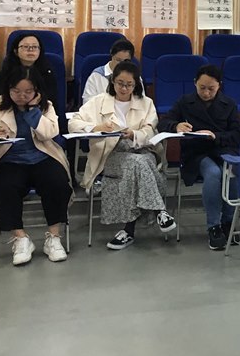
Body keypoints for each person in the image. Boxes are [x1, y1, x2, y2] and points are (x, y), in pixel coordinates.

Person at [0, 66, 72, 265]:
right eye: (16, 91)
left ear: (36, 91)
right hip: (8, 160)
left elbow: (50, 132)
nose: (21, 96)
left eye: (28, 92)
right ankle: (20, 238)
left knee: (57, 183)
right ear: (8, 89)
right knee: (3, 187)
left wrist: (32, 112)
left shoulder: (45, 106)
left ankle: (54, 236)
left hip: (42, 157)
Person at [70, 61, 175, 250]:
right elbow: (73, 123)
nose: (124, 88)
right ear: (112, 81)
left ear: (136, 85)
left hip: (142, 150)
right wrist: (96, 127)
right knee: (138, 164)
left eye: (129, 85)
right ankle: (160, 211)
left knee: (136, 164)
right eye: (120, 83)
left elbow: (151, 131)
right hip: (111, 155)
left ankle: (128, 232)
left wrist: (134, 134)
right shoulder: (99, 101)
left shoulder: (146, 103)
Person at [157, 64, 240, 251]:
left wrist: (216, 136)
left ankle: (228, 222)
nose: (206, 93)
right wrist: (176, 126)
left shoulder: (229, 104)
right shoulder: (185, 102)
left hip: (223, 150)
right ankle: (214, 226)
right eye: (202, 88)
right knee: (213, 173)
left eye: (211, 89)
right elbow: (163, 123)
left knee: (231, 171)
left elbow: (237, 134)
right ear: (195, 83)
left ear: (219, 85)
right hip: (196, 153)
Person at [0, 33, 60, 112]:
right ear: (16, 51)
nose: (30, 49)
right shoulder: (7, 71)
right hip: (8, 112)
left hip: (39, 112)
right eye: (25, 46)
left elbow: (51, 101)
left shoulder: (47, 73)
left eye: (35, 47)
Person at [81, 38, 136, 104]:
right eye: (118, 60)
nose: (121, 64)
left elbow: (141, 101)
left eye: (126, 61)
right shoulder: (96, 76)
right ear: (112, 55)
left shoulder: (134, 76)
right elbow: (87, 103)